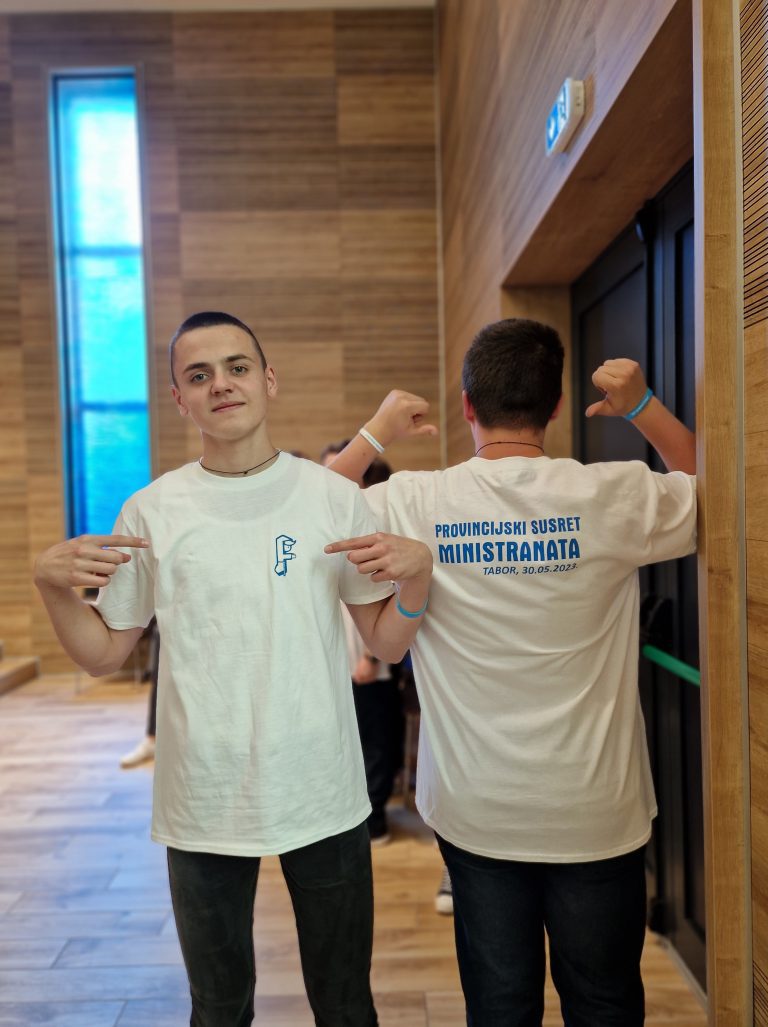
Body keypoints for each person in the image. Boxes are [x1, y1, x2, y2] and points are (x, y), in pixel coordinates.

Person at [33, 311, 433, 1027]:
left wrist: (418, 579)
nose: (221, 384)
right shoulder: (152, 511)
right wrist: (51, 587)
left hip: (323, 787)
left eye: (237, 367)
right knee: (218, 1007)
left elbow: (388, 643)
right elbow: (103, 653)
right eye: (199, 375)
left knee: (346, 1003)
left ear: (268, 380)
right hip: (203, 797)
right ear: (180, 399)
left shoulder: (332, 496)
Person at [326, 318, 696, 1027]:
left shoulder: (414, 500)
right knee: (606, 1004)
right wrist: (644, 406)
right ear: (555, 405)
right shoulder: (612, 493)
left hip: (478, 808)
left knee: (500, 1009)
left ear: (467, 405)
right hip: (597, 809)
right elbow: (717, 488)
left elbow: (299, 512)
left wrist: (375, 433)